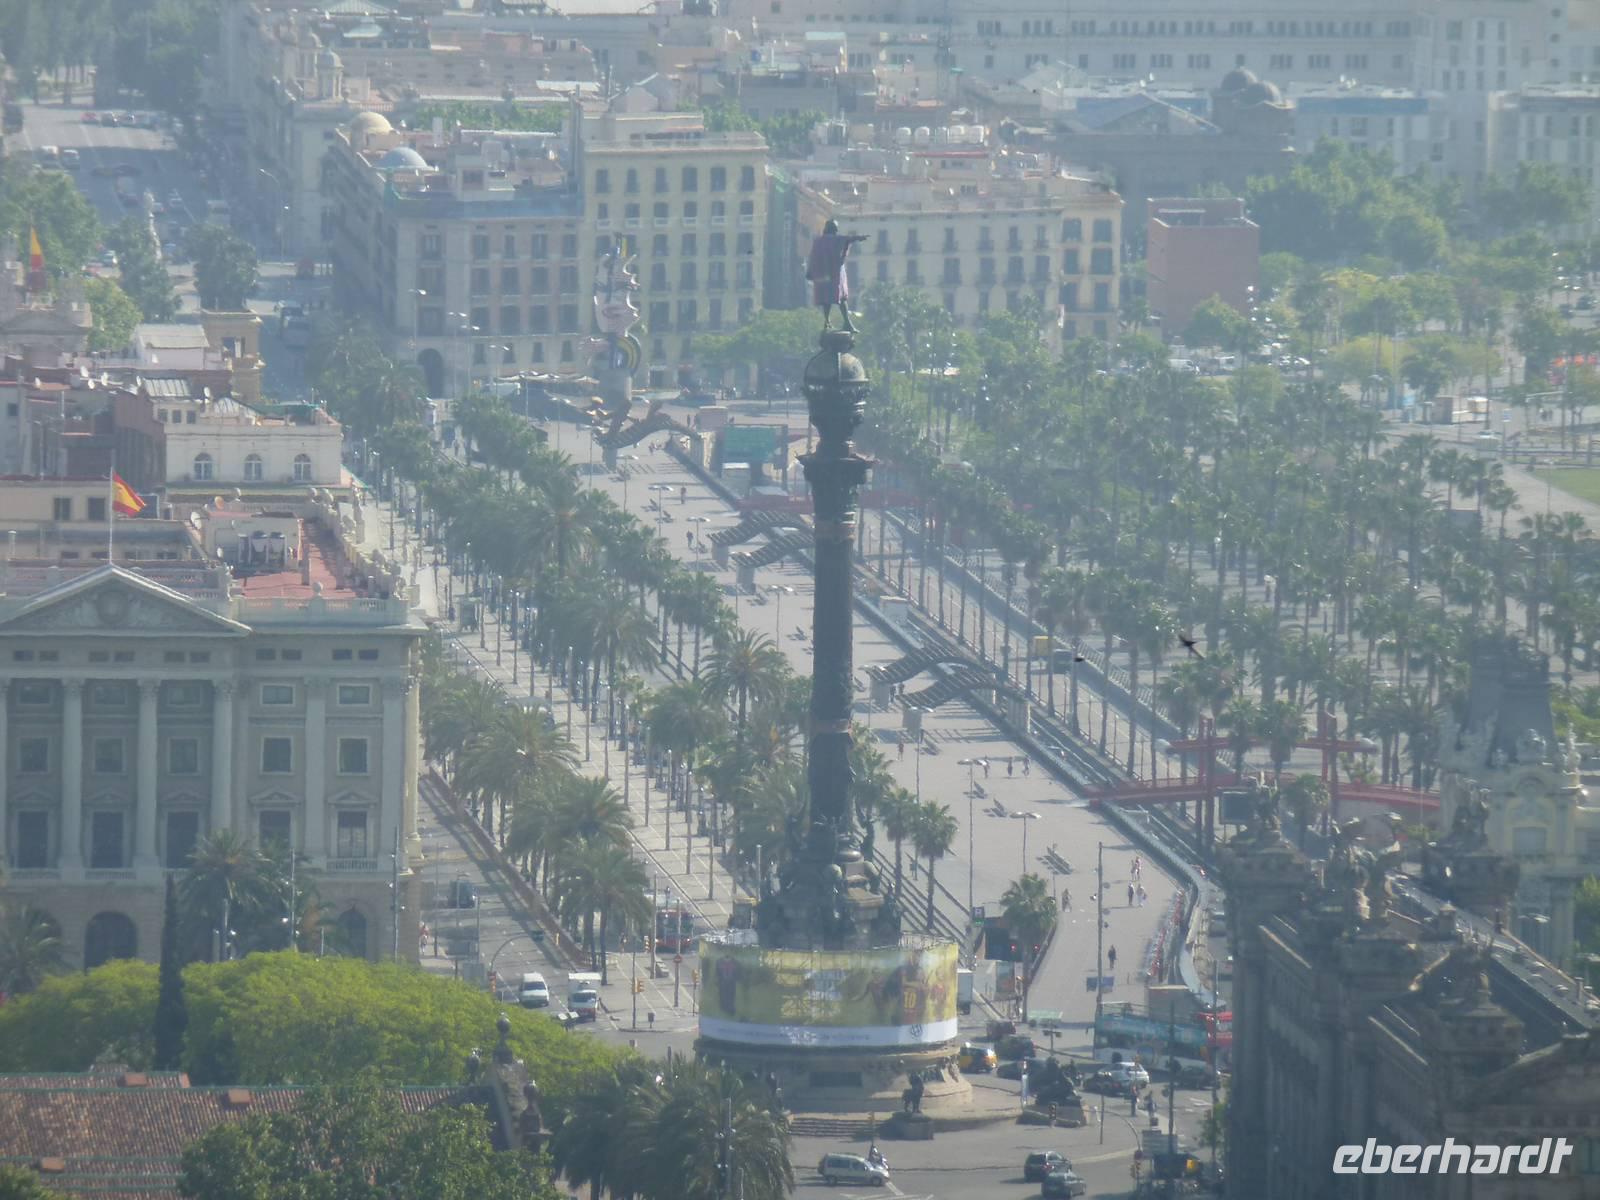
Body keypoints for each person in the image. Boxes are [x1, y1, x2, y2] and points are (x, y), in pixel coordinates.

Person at [806, 219, 866, 331]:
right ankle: (846, 323)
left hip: (823, 275)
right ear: (833, 229)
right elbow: (847, 239)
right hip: (835, 274)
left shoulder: (818, 241)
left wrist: (810, 272)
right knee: (842, 299)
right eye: (836, 228)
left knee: (826, 300)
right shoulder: (835, 239)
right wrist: (858, 238)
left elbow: (812, 257)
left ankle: (827, 322)